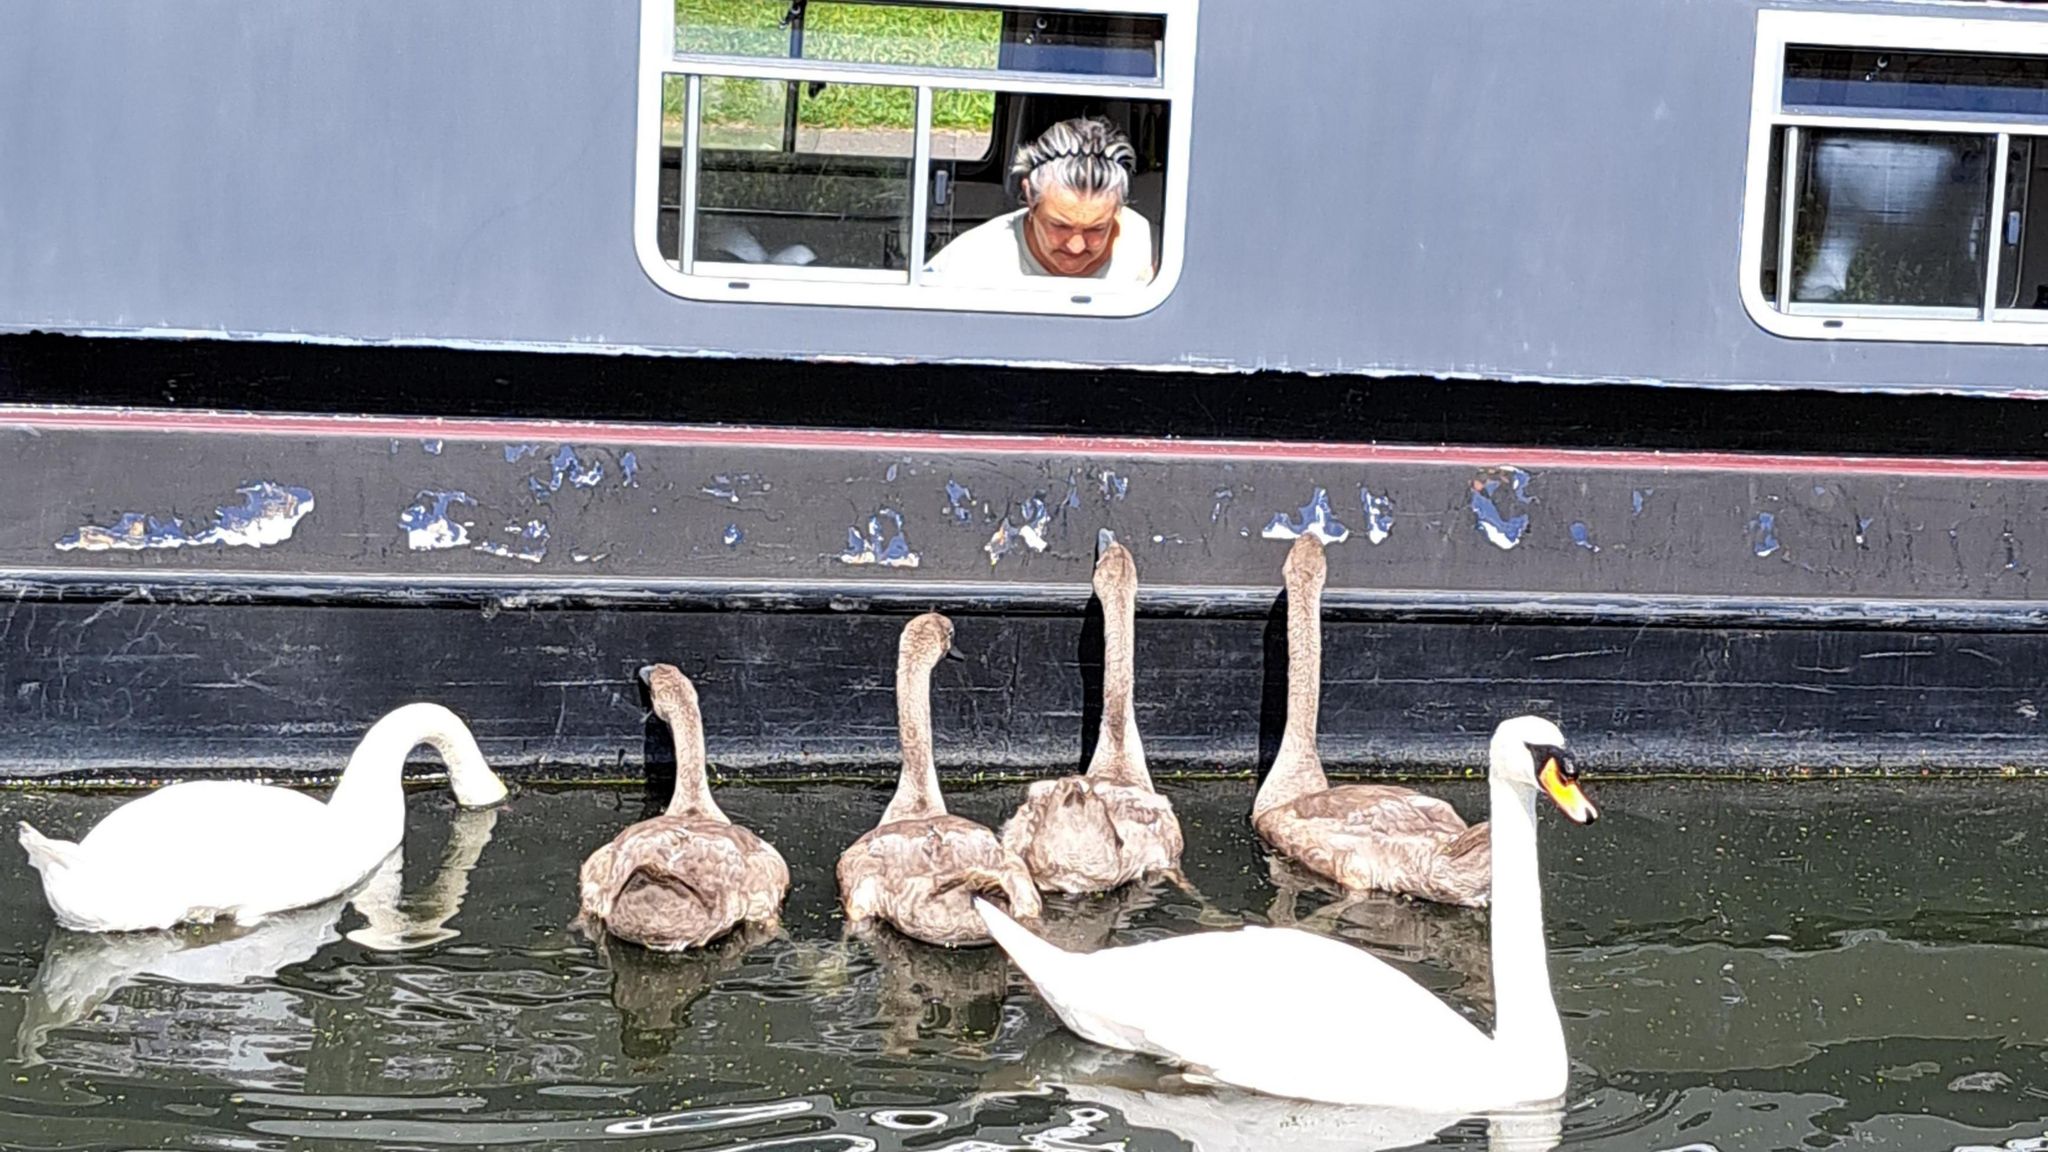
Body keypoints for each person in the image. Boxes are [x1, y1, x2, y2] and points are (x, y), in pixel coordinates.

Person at [925, 116, 1155, 285]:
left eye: (1097, 229)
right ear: (1030, 199)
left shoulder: (1152, 250)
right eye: (1059, 226)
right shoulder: (972, 261)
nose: (1076, 246)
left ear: (1118, 210)